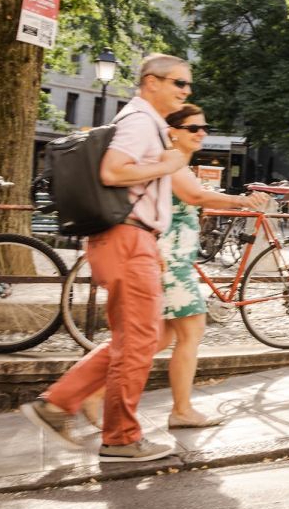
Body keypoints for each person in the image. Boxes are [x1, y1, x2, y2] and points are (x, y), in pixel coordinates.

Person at [19, 54, 193, 463]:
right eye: (179, 83)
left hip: (129, 239)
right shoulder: (140, 121)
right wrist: (167, 162)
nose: (186, 92)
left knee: (136, 338)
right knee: (139, 342)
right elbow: (114, 172)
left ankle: (56, 404)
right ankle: (121, 438)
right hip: (127, 239)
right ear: (151, 81)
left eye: (187, 86)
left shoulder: (142, 120)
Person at [78, 106, 271, 433]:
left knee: (159, 337)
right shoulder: (169, 158)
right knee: (191, 331)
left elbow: (189, 200)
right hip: (168, 260)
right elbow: (193, 195)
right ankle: (181, 410)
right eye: (193, 127)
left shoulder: (174, 160)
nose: (201, 133)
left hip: (172, 258)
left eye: (204, 127)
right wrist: (243, 202)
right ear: (173, 131)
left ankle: (94, 393)